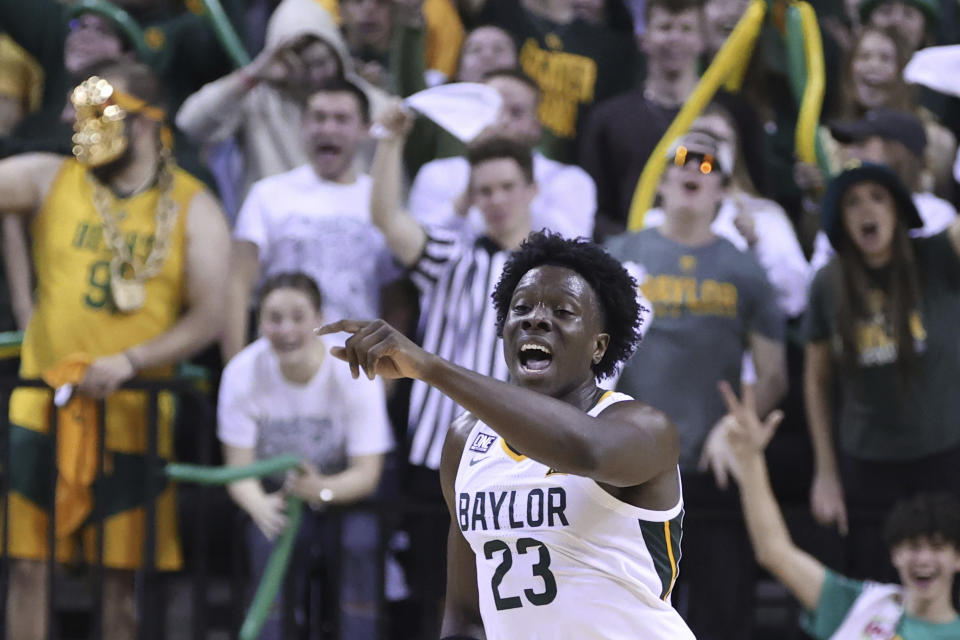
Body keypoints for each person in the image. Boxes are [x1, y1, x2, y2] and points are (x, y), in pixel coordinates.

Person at [317, 231, 693, 639]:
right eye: (522, 308)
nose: (536, 318)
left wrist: (431, 368)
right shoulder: (465, 441)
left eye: (563, 311)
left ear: (599, 347)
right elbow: (467, 616)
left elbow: (583, 452)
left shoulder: (644, 427)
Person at [0, 59, 230, 640]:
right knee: (28, 568)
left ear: (146, 121)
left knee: (119, 580)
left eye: (97, 114)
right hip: (42, 405)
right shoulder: (50, 176)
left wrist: (132, 360)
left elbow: (210, 315)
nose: (81, 127)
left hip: (133, 411)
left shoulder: (195, 206)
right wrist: (24, 300)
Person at [605, 131, 787, 640]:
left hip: (713, 468)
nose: (693, 170)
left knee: (718, 610)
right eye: (682, 161)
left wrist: (734, 427)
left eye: (708, 166)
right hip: (630, 465)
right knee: (627, 609)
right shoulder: (619, 253)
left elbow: (773, 374)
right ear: (661, 179)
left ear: (724, 190)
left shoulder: (744, 269)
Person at [804, 162, 960, 581]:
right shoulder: (827, 283)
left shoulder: (938, 257)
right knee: (878, 587)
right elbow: (817, 381)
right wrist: (825, 473)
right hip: (869, 464)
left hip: (945, 455)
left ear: (899, 210)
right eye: (852, 202)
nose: (866, 210)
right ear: (839, 220)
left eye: (878, 198)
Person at [218, 272, 393, 639]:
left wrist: (322, 490)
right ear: (260, 322)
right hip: (276, 492)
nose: (286, 330)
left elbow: (368, 472)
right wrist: (260, 505)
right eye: (274, 318)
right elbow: (238, 470)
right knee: (267, 540)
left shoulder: (352, 368)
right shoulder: (242, 372)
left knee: (359, 544)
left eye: (298, 317)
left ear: (319, 319)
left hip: (347, 493)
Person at [719, 380, 960, 640]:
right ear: (896, 555)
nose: (924, 559)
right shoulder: (860, 604)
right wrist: (750, 458)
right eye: (913, 547)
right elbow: (774, 552)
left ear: (957, 558)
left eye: (937, 547)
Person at [222, 80, 396, 361]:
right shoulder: (267, 194)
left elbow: (395, 297)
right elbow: (237, 286)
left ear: (366, 129)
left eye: (341, 119)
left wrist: (388, 376)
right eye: (318, 118)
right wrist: (236, 368)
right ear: (302, 124)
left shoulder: (381, 203)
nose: (328, 128)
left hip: (358, 368)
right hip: (280, 362)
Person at [175, 0, 387, 209]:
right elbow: (190, 124)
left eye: (321, 63)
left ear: (338, 54)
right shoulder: (255, 97)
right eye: (303, 66)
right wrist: (252, 74)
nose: (315, 76)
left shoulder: (367, 99)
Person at [409, 68, 596, 241]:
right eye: (492, 109)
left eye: (516, 112)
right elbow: (413, 250)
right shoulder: (436, 173)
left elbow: (574, 248)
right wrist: (464, 201)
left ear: (536, 126)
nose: (502, 121)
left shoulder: (570, 179)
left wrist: (523, 193)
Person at [580, 0, 706, 240]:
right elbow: (593, 208)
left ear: (702, 40)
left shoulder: (730, 114)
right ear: (643, 38)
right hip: (629, 259)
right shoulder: (608, 119)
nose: (675, 38)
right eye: (665, 27)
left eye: (686, 29)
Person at [810, 108, 958, 271]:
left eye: (861, 144)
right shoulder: (841, 215)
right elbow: (817, 284)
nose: (847, 152)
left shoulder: (935, 213)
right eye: (847, 144)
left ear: (897, 151)